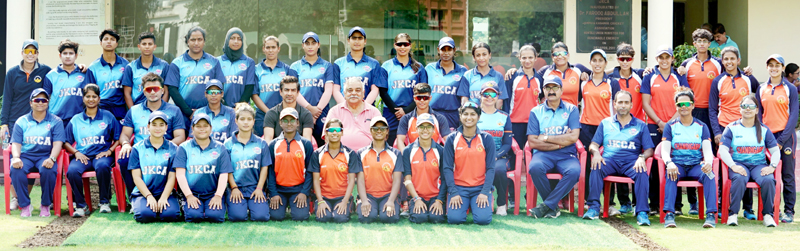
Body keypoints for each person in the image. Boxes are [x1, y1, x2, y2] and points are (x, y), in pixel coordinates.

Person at [583, 91, 654, 226]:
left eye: (626, 102)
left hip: (631, 163)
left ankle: (642, 212)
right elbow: (593, 144)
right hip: (609, 161)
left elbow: (649, 149)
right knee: (596, 167)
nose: (623, 105)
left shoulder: (640, 125)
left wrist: (642, 157)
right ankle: (593, 208)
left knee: (642, 172)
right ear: (614, 104)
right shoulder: (605, 123)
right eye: (620, 102)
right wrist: (596, 153)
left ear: (631, 105)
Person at [118, 73, 186, 206]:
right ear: (144, 92)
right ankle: (134, 198)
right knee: (124, 159)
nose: (153, 92)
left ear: (162, 90)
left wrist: (164, 147)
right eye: (149, 89)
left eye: (156, 88)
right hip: (140, 152)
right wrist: (125, 144)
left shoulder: (174, 110)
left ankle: (173, 196)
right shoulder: (134, 110)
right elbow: (125, 134)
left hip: (166, 150)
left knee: (178, 159)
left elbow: (180, 136)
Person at [709, 46, 760, 220]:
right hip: (724, 128)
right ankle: (722, 205)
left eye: (732, 58)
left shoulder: (748, 79)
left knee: (746, 163)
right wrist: (717, 132)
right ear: (722, 62)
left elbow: (759, 97)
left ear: (738, 60)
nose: (729, 62)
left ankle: (748, 208)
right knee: (723, 169)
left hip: (745, 128)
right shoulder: (717, 81)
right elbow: (712, 109)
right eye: (726, 59)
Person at [2, 40, 53, 210]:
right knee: (14, 160)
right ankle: (15, 198)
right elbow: (7, 99)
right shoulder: (12, 73)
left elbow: (59, 75)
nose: (30, 54)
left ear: (37, 54)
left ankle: (24, 197)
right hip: (13, 123)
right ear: (22, 53)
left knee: (29, 157)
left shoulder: (45, 71)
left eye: (33, 51)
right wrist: (3, 124)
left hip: (35, 124)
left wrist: (81, 67)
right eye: (27, 51)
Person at [659, 87, 718, 228]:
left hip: (696, 165)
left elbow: (708, 150)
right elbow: (664, 151)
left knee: (710, 174)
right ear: (676, 107)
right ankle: (669, 214)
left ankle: (711, 215)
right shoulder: (670, 126)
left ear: (692, 105)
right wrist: (669, 163)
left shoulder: (701, 126)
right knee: (670, 174)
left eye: (686, 104)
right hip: (677, 165)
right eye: (680, 104)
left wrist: (708, 163)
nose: (683, 107)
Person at [719, 95, 780, 227]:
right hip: (739, 164)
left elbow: (775, 151)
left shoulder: (764, 129)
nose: (748, 109)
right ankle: (733, 214)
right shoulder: (731, 128)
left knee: (769, 179)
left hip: (758, 165)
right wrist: (733, 166)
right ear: (740, 109)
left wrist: (772, 166)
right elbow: (722, 150)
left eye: (751, 106)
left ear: (757, 110)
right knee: (739, 178)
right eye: (744, 106)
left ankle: (768, 215)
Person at [641, 45, 689, 214]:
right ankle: (654, 204)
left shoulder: (679, 76)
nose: (664, 60)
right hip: (654, 125)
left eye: (667, 57)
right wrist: (660, 122)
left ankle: (676, 205)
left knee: (675, 161)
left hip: (676, 124)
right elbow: (645, 103)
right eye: (661, 57)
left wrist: (668, 123)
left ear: (672, 59)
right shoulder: (649, 76)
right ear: (656, 59)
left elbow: (684, 101)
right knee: (655, 165)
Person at [527, 76, 581, 219]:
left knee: (574, 171)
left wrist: (545, 137)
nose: (551, 91)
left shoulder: (572, 109)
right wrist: (560, 142)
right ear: (543, 90)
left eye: (555, 87)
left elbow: (573, 137)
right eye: (548, 88)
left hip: (566, 154)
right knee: (535, 167)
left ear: (561, 90)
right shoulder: (535, 111)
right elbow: (532, 142)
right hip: (543, 154)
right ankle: (552, 206)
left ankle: (546, 206)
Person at [64, 84, 121, 217]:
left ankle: (104, 202)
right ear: (83, 98)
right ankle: (81, 205)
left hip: (102, 155)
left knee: (102, 166)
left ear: (99, 99)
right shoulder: (76, 119)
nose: (91, 99)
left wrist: (110, 151)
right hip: (83, 156)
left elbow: (118, 138)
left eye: (94, 96)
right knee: (72, 171)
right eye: (88, 96)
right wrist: (76, 152)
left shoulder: (108, 116)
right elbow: (65, 142)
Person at [9, 88, 65, 217]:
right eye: (37, 100)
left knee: (48, 170)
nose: (40, 103)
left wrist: (52, 158)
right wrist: (16, 157)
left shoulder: (56, 121)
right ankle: (25, 205)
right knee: (16, 169)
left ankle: (45, 205)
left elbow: (58, 143)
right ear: (31, 103)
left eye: (44, 100)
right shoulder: (21, 121)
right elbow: (16, 143)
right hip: (26, 156)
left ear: (48, 103)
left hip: (45, 155)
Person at [756, 54, 798, 223]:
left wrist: (780, 141)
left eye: (777, 65)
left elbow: (793, 116)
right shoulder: (761, 88)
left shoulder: (790, 88)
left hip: (786, 137)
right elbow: (759, 115)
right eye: (771, 65)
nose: (774, 68)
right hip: (767, 137)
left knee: (787, 175)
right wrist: (763, 137)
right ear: (767, 68)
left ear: (782, 68)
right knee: (768, 174)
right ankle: (772, 209)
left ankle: (789, 211)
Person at [578, 49, 621, 210]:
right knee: (589, 165)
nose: (597, 64)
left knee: (607, 164)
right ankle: (589, 201)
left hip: (606, 128)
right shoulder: (583, 82)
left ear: (605, 63)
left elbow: (617, 107)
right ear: (590, 63)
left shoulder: (612, 83)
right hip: (586, 128)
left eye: (600, 60)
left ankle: (609, 203)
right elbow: (576, 102)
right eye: (594, 60)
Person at [443, 102, 496, 225]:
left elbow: (491, 168)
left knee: (483, 220)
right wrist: (453, 192)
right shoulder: (452, 139)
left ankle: (488, 198)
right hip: (459, 188)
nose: (469, 117)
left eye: (473, 114)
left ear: (478, 117)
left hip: (480, 187)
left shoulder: (486, 138)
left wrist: (484, 192)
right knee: (454, 220)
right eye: (465, 114)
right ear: (460, 116)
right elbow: (447, 168)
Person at [175, 113, 233, 223]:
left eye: (205, 126)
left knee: (215, 217)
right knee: (194, 217)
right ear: (192, 129)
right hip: (192, 193)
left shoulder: (220, 147)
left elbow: (224, 174)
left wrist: (218, 195)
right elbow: (180, 174)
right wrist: (189, 196)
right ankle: (184, 204)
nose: (202, 129)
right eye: (198, 126)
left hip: (213, 193)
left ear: (211, 128)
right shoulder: (184, 147)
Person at [165, 26, 225, 129]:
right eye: (193, 40)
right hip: (183, 115)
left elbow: (219, 86)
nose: (196, 43)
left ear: (204, 41)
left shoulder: (214, 62)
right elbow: (173, 90)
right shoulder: (177, 63)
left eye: (199, 39)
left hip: (208, 114)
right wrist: (188, 112)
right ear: (187, 41)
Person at [128, 111, 181, 223]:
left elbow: (172, 177)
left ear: (166, 127)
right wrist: (149, 196)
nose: (158, 128)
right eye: (154, 124)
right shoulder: (137, 148)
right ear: (148, 126)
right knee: (145, 216)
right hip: (143, 193)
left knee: (171, 215)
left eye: (161, 125)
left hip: (165, 192)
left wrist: (164, 197)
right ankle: (138, 204)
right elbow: (136, 177)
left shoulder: (173, 148)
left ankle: (164, 205)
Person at [224, 104, 271, 222]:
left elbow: (264, 168)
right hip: (236, 188)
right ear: (236, 121)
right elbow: (227, 169)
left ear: (254, 121)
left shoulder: (261, 143)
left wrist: (259, 188)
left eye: (249, 119)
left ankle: (255, 205)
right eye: (242, 119)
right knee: (237, 217)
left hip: (255, 187)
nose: (246, 122)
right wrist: (234, 187)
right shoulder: (228, 144)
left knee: (261, 217)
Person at [309, 118, 363, 223]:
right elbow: (315, 180)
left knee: (340, 218)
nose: (334, 133)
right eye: (331, 130)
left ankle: (350, 204)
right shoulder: (317, 154)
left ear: (342, 132)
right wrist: (320, 201)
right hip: (324, 197)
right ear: (326, 132)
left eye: (337, 130)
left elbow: (352, 180)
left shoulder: (350, 154)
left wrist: (344, 201)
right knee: (323, 218)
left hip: (342, 197)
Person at [333, 26, 394, 114]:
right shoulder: (338, 63)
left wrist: (363, 108)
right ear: (348, 41)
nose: (357, 41)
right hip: (344, 112)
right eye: (354, 38)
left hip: (366, 111)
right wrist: (346, 108)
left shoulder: (374, 64)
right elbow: (336, 90)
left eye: (360, 38)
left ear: (365, 41)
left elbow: (375, 90)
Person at [267, 107, 314, 221]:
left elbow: (310, 171)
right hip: (279, 189)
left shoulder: (305, 144)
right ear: (280, 123)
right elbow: (270, 171)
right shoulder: (273, 144)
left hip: (298, 189)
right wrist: (273, 193)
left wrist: (304, 192)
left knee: (300, 217)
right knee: (276, 216)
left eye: (292, 120)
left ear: (297, 123)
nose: (289, 124)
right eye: (285, 120)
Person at [290, 32, 337, 147]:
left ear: (318, 45)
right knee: (301, 146)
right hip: (301, 111)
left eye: (313, 43)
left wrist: (316, 112)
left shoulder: (327, 66)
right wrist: (309, 109)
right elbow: (294, 91)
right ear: (303, 45)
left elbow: (328, 90)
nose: (310, 46)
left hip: (322, 112)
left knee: (323, 145)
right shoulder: (295, 67)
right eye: (307, 43)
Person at [355, 117, 404, 223]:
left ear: (387, 131)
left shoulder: (396, 153)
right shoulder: (361, 153)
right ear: (370, 130)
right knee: (366, 218)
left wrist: (391, 201)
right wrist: (364, 200)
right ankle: (360, 203)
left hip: (387, 195)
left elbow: (397, 180)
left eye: (382, 128)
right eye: (375, 128)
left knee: (389, 218)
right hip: (368, 195)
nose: (379, 131)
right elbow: (360, 180)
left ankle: (393, 204)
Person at [381, 33, 427, 145]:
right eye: (399, 44)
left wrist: (406, 111)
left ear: (410, 46)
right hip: (391, 113)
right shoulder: (386, 66)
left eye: (405, 44)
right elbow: (382, 91)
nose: (402, 47)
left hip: (412, 111)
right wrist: (397, 111)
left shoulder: (419, 68)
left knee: (413, 144)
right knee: (390, 145)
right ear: (394, 45)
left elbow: (423, 93)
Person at [475, 83, 513, 216]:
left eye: (493, 94)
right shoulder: (474, 114)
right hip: (476, 155)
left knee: (498, 170)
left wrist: (495, 156)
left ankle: (501, 204)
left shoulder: (504, 116)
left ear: (498, 97)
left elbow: (507, 143)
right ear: (480, 96)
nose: (489, 97)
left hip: (499, 156)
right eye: (486, 94)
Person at [403, 113, 447, 223]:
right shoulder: (408, 151)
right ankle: (412, 207)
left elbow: (445, 179)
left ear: (434, 130)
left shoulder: (441, 151)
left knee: (436, 218)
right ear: (416, 129)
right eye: (422, 127)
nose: (425, 130)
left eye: (428, 127)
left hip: (435, 196)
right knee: (419, 218)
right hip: (417, 196)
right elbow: (407, 179)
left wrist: (439, 200)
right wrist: (416, 199)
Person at [253, 36, 299, 137]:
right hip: (262, 115)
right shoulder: (256, 70)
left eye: (273, 47)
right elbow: (254, 95)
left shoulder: (286, 69)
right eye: (268, 47)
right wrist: (269, 112)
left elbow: (292, 92)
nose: (270, 50)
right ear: (263, 49)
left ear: (278, 49)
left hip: (283, 115)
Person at [423, 37, 469, 130]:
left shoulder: (462, 70)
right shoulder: (429, 68)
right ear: (438, 50)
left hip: (453, 115)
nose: (446, 53)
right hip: (432, 113)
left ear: (454, 50)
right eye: (443, 49)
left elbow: (464, 96)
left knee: (450, 138)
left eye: (449, 49)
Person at [85, 29, 130, 120]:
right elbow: (89, 92)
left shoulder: (125, 64)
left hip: (120, 109)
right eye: (106, 39)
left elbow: (129, 90)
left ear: (116, 44)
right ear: (101, 43)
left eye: (112, 39)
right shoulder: (93, 67)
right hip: (101, 108)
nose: (109, 41)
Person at [327, 77, 382, 150]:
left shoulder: (374, 112)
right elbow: (327, 136)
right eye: (350, 90)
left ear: (363, 93)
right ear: (344, 93)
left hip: (369, 154)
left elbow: (381, 137)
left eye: (357, 90)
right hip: (341, 154)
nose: (353, 93)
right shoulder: (335, 111)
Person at [43, 39, 86, 126]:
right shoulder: (51, 75)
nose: (68, 56)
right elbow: (45, 99)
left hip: (78, 120)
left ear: (76, 55)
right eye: (65, 53)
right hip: (56, 120)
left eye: (71, 53)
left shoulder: (84, 74)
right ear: (60, 55)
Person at [122, 32, 170, 108]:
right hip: (138, 107)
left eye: (150, 44)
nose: (147, 47)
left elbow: (166, 91)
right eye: (144, 44)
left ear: (154, 47)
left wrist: (160, 110)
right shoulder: (130, 67)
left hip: (158, 108)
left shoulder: (164, 65)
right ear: (139, 46)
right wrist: (134, 111)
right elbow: (127, 93)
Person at [396, 83, 450, 150]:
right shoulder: (406, 118)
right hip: (412, 155)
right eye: (418, 98)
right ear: (414, 98)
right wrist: (406, 155)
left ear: (430, 98)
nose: (422, 101)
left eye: (425, 98)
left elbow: (448, 141)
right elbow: (400, 141)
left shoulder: (440, 118)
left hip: (435, 155)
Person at [536, 42, 589, 106]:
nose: (560, 56)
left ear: (568, 55)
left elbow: (596, 76)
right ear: (552, 57)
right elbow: (532, 81)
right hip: (551, 111)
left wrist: (585, 75)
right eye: (556, 54)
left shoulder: (578, 69)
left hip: (572, 111)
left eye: (563, 53)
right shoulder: (545, 71)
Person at [457, 43, 508, 109]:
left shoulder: (498, 76)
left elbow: (499, 101)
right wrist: (472, 113)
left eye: (484, 54)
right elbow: (464, 100)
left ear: (489, 55)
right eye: (478, 55)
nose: (481, 58)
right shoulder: (467, 75)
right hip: (472, 114)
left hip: (491, 115)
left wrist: (489, 113)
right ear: (474, 58)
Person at [262, 76, 313, 141]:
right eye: (286, 90)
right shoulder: (271, 113)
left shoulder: (306, 114)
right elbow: (268, 140)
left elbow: (307, 141)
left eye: (293, 90)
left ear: (298, 93)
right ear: (280, 92)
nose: (289, 93)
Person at [219, 27, 256, 108]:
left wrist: (239, 107)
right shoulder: (218, 61)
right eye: (232, 38)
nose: (236, 41)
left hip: (242, 109)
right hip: (221, 108)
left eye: (239, 39)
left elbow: (249, 87)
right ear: (227, 40)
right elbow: (216, 86)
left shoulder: (249, 62)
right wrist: (223, 106)